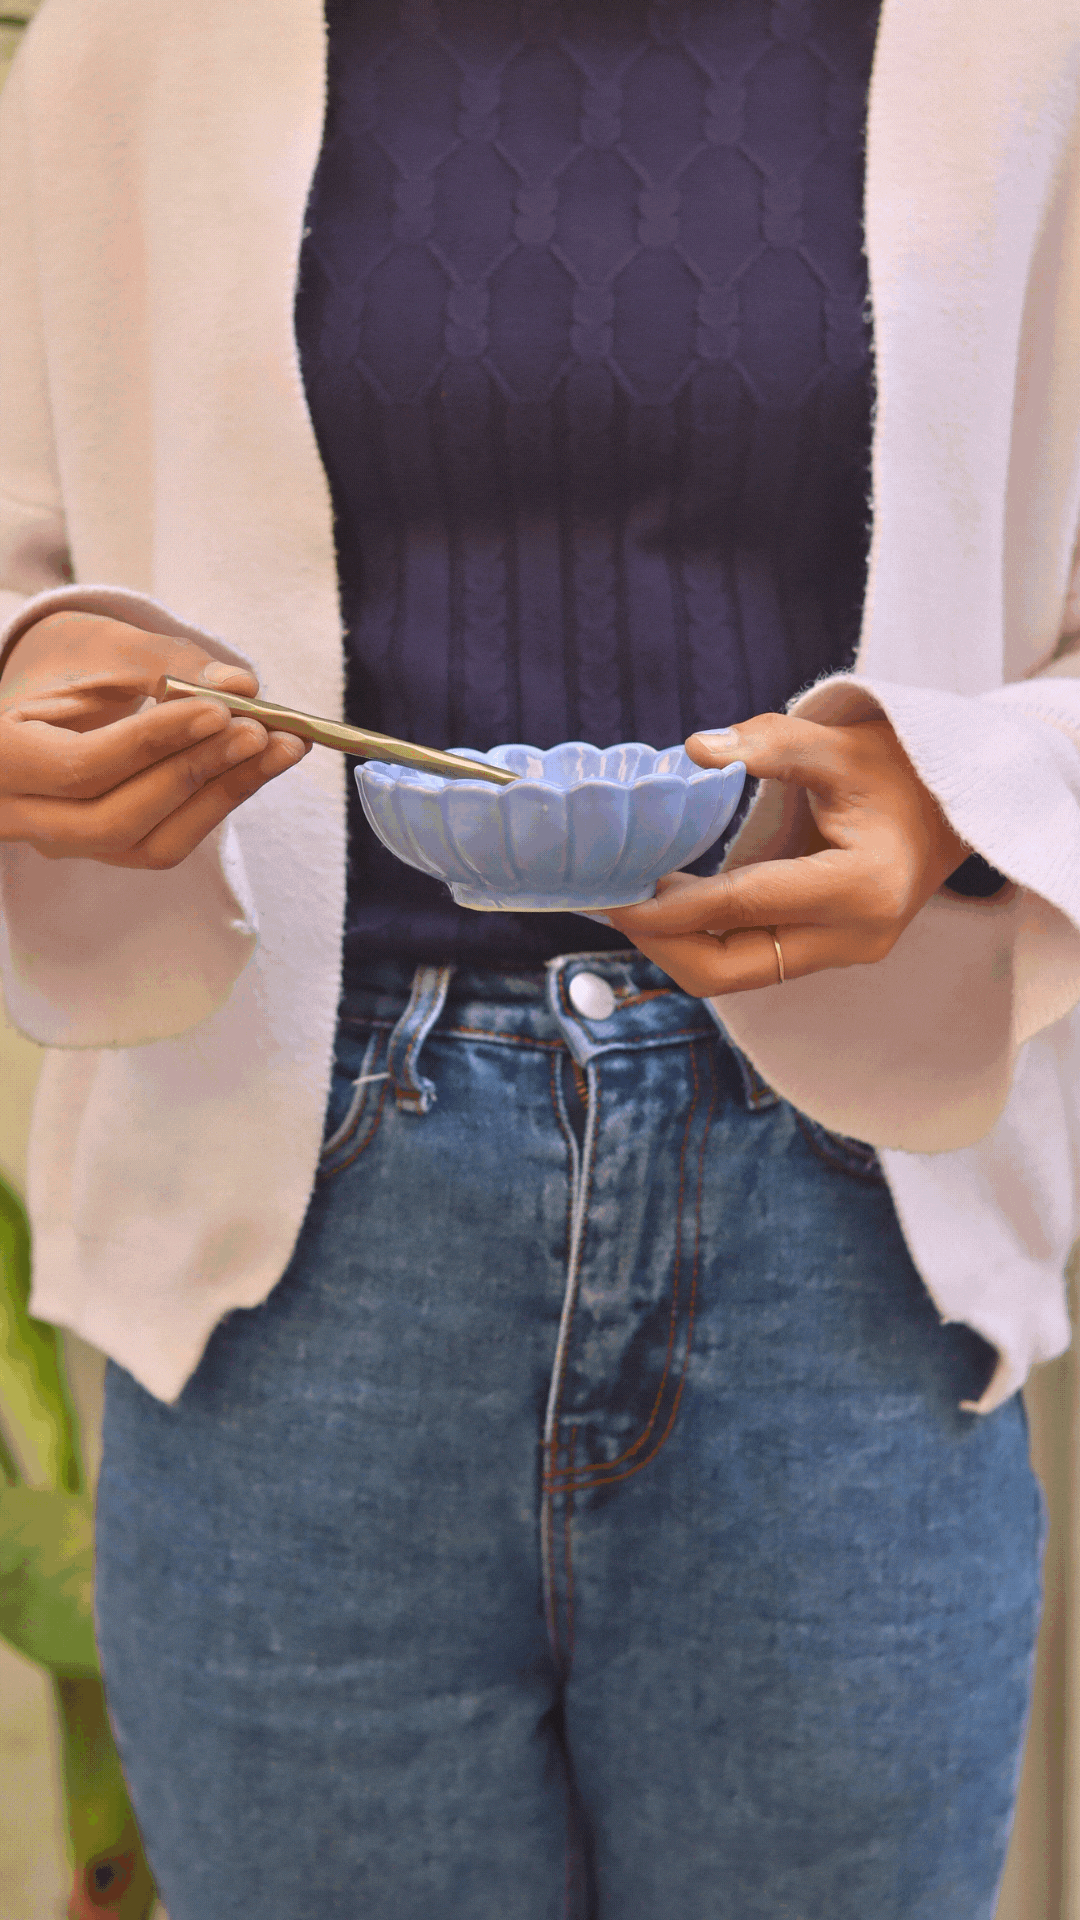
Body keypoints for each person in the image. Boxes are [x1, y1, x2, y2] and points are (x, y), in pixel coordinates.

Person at [1, 0, 1078, 1914]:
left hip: (847, 1239)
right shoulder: (127, 44)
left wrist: (969, 791)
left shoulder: (1026, 47)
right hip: (292, 1245)